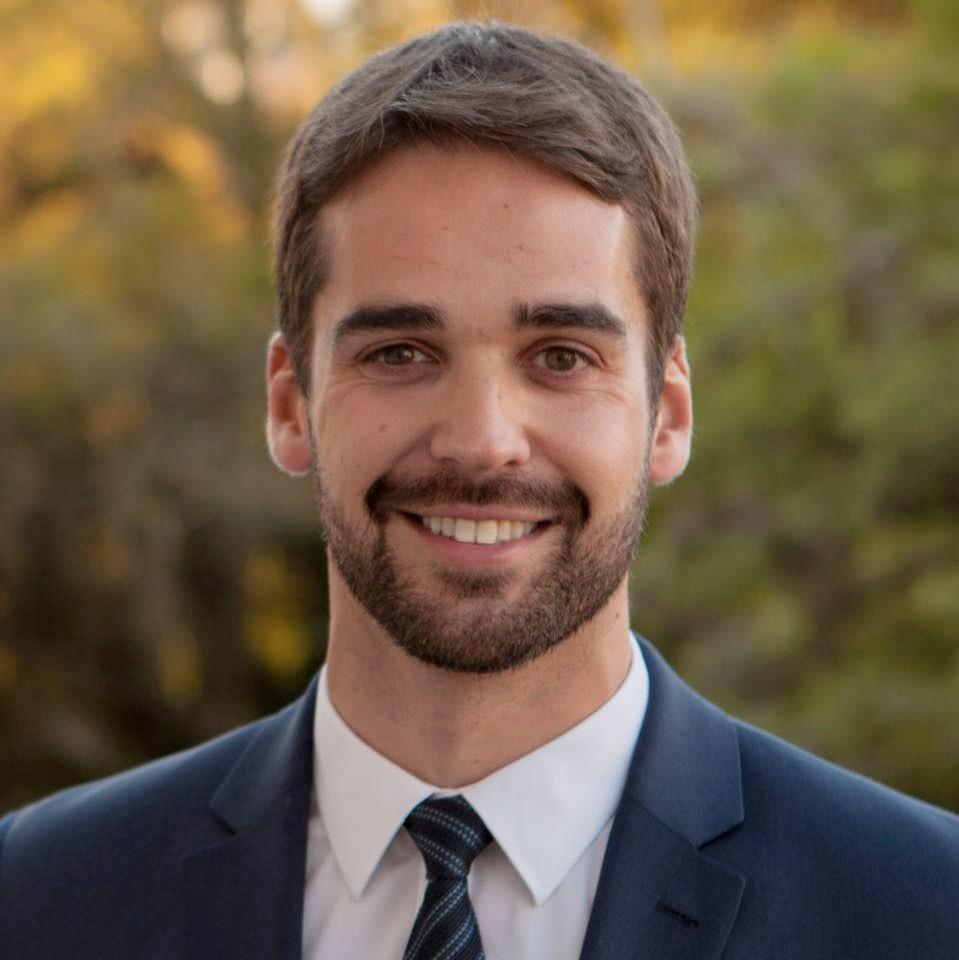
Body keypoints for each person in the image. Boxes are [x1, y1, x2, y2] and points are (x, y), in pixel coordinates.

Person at [1, 20, 957, 960]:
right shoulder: (38, 900)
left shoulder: (921, 911)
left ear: (667, 414)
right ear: (290, 404)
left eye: (560, 356)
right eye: (400, 352)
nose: (481, 442)